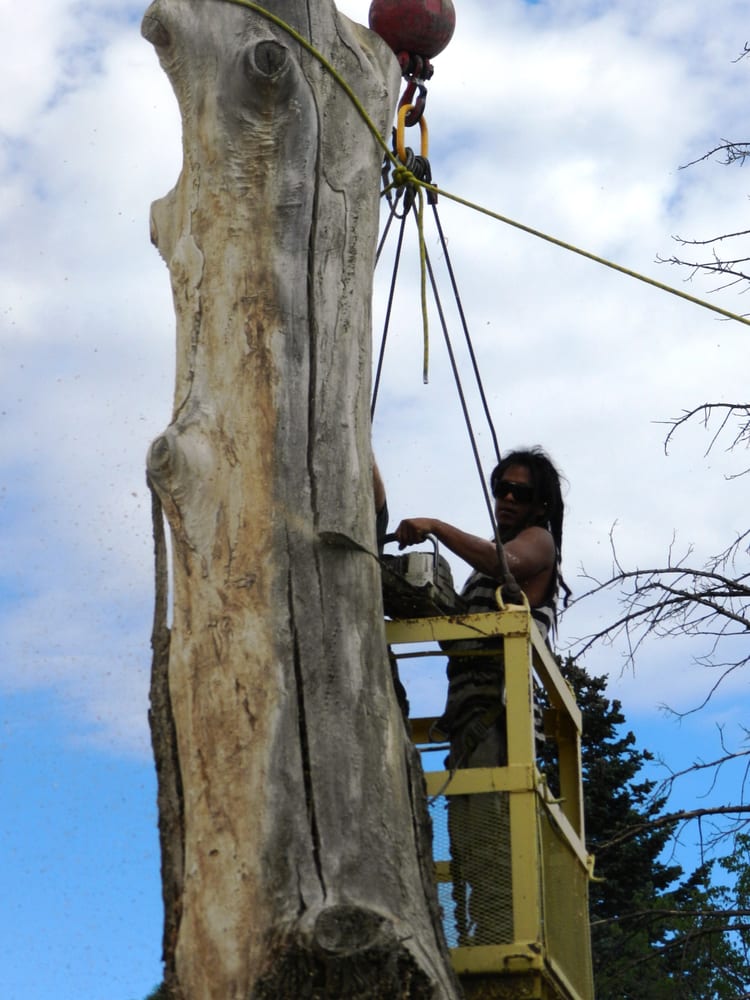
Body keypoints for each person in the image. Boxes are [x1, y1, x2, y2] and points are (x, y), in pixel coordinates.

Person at [394, 446, 569, 945]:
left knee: (495, 828)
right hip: (470, 717)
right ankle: (478, 931)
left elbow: (505, 563)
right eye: (502, 488)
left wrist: (435, 526)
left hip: (503, 715)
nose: (508, 498)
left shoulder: (538, 543)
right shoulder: (483, 566)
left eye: (521, 492)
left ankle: (500, 933)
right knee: (470, 837)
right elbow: (464, 637)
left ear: (540, 505)